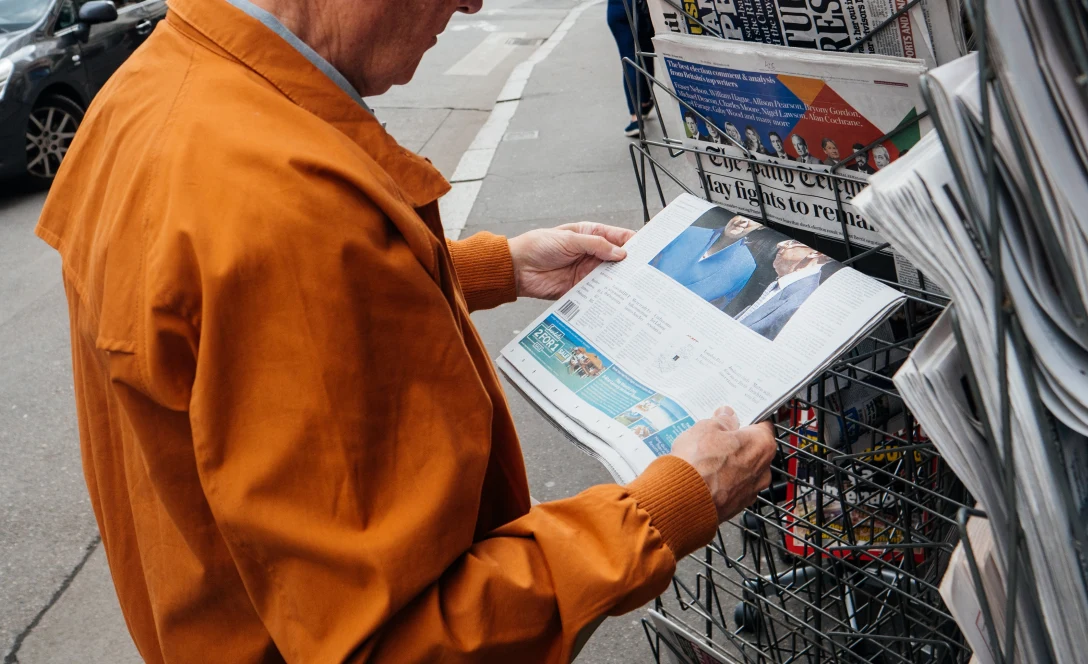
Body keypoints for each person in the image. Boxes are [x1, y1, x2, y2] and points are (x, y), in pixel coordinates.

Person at [33, 0, 778, 661]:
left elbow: (222, 319)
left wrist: (497, 267)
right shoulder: (289, 210)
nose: (472, 2)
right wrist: (668, 505)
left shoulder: (153, 85)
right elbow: (401, 642)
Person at [650, 215, 765, 309]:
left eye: (753, 220)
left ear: (760, 227)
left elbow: (719, 304)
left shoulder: (746, 265)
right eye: (741, 214)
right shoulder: (690, 232)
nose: (743, 221)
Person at [735, 240, 841, 340]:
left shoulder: (802, 303)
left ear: (815, 253)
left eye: (793, 242)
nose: (780, 244)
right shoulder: (781, 284)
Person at [608, 0, 656, 137]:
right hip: (641, 8)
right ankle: (645, 102)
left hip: (616, 8)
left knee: (629, 60)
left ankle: (635, 118)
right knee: (646, 55)